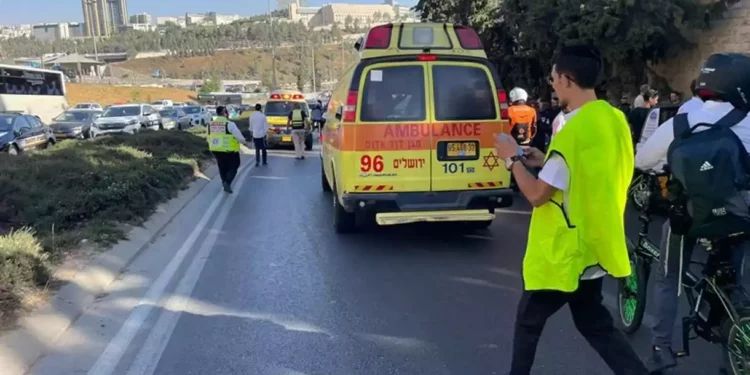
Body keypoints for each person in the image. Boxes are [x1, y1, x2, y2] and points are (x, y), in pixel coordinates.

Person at [494, 44, 649, 375]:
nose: (552, 85)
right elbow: (587, 170)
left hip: (565, 253)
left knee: (528, 324)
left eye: (552, 79)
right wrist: (544, 158)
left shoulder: (572, 133)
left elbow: (537, 194)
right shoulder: (613, 118)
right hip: (596, 243)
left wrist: (511, 158)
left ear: (566, 79)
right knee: (594, 324)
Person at [636, 53, 750, 373]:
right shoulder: (748, 121)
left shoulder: (681, 121)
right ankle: (739, 339)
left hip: (690, 219)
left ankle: (661, 348)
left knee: (668, 277)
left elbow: (643, 161)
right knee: (737, 279)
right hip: (740, 216)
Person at [207, 106, 248, 194]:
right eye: (227, 112)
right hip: (229, 150)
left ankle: (224, 182)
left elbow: (208, 137)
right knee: (234, 165)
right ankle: (227, 182)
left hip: (216, 150)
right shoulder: (229, 124)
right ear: (224, 113)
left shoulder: (210, 124)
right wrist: (244, 142)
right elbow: (238, 135)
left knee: (222, 167)